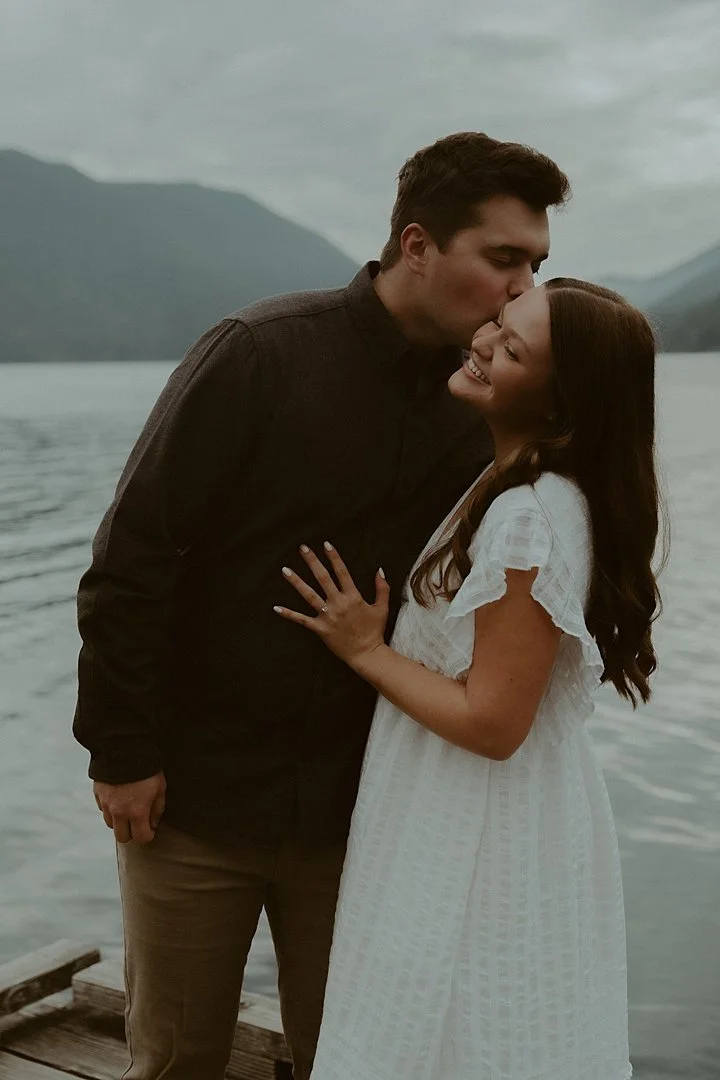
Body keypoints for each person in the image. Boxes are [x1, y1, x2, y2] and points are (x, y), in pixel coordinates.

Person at [73, 131, 570, 1080]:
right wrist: (122, 750)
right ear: (418, 245)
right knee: (174, 1062)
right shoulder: (259, 354)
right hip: (195, 800)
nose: (521, 286)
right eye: (502, 257)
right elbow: (131, 564)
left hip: (366, 811)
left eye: (537, 264)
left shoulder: (484, 404)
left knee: (355, 1057)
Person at [276, 279, 661, 1080]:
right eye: (497, 324)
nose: (484, 342)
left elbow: (494, 722)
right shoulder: (526, 486)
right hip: (491, 813)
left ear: (563, 402)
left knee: (451, 1035)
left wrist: (364, 649)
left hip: (472, 832)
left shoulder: (528, 516)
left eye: (513, 349)